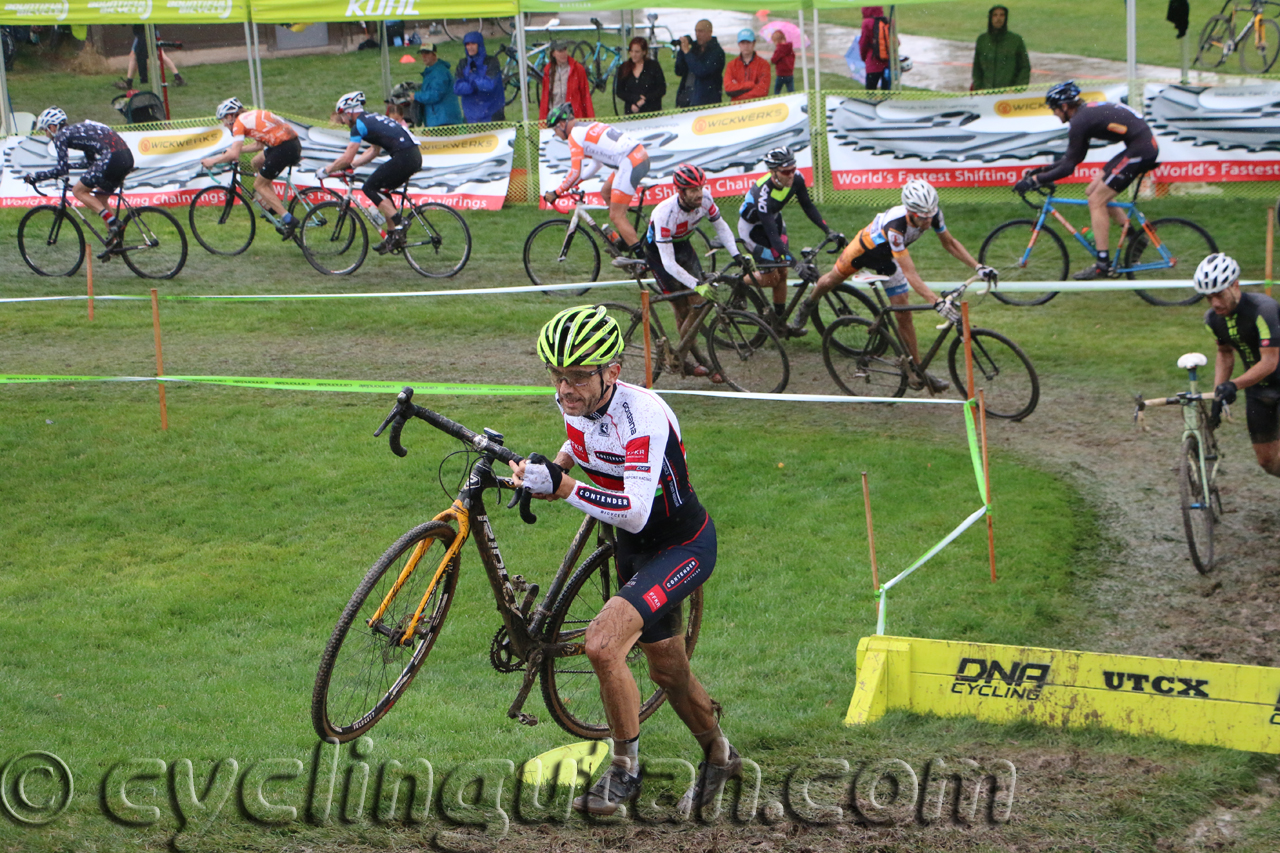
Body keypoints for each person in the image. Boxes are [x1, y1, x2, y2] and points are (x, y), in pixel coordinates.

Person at [510, 304, 742, 818]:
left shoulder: (644, 417)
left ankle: (623, 770)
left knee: (601, 644)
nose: (565, 389)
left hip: (681, 546)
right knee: (668, 672)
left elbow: (635, 513)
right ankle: (721, 756)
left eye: (576, 377)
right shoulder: (574, 403)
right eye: (556, 375)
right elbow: (580, 443)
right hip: (635, 553)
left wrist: (565, 488)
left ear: (612, 372)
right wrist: (548, 469)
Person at [789, 179, 996, 393]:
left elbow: (950, 243)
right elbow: (910, 273)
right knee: (831, 280)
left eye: (930, 215)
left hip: (887, 259)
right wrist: (936, 302)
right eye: (922, 217)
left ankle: (917, 370)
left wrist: (979, 267)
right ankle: (808, 303)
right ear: (911, 211)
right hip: (863, 252)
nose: (927, 221)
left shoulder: (932, 214)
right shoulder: (896, 227)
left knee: (904, 313)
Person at [1013, 81, 1160, 280]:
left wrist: (1034, 181)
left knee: (1096, 201)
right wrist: (1041, 172)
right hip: (1139, 145)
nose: (1054, 114)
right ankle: (1135, 238)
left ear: (1064, 106)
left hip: (1139, 150)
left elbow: (1068, 167)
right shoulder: (1083, 116)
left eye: (1054, 109)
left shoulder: (1079, 121)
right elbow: (1074, 159)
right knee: (1093, 190)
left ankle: (1102, 264)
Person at [643, 163, 753, 378]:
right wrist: (697, 284)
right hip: (660, 256)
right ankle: (695, 362)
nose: (699, 194)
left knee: (699, 305)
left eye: (701, 188)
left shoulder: (706, 200)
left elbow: (720, 226)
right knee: (682, 310)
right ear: (680, 192)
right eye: (693, 190)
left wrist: (736, 254)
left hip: (684, 248)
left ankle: (682, 355)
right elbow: (668, 263)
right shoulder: (665, 214)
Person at [736, 146, 843, 336]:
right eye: (786, 172)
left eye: (793, 169)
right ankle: (740, 282)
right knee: (772, 278)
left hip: (773, 219)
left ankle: (778, 323)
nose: (792, 175)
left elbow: (808, 206)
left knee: (783, 272)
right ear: (774, 172)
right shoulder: (763, 194)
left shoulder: (797, 179)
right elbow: (773, 238)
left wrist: (828, 230)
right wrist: (797, 265)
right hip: (753, 229)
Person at [1195, 253, 1280, 478]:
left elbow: (1270, 362)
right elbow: (1224, 354)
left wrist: (1234, 384)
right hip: (1259, 390)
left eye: (1219, 295)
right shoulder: (1212, 319)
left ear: (1235, 285)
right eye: (1208, 297)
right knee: (1268, 462)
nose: (1215, 303)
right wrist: (1218, 392)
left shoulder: (1264, 309)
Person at [317, 91, 423, 255]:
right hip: (412, 155)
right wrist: (353, 165)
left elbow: (347, 156)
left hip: (404, 156)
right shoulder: (371, 119)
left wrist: (326, 170)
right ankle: (392, 236)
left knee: (369, 188)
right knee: (381, 189)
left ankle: (399, 221)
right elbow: (374, 150)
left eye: (343, 116)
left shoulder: (358, 124)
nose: (344, 121)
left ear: (350, 112)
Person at [542, 104, 650, 259]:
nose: (557, 135)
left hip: (630, 162)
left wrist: (556, 192)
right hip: (637, 156)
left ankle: (642, 261)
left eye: (555, 130)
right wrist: (577, 182)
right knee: (605, 192)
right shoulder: (587, 126)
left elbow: (575, 171)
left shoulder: (574, 137)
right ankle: (626, 239)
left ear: (561, 124)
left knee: (616, 216)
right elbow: (596, 163)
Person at [24, 107, 134, 248]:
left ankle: (113, 221)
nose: (46, 135)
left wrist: (36, 177)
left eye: (45, 130)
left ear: (52, 126)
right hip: (125, 157)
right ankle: (115, 244)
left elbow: (61, 169)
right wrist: (69, 167)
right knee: (100, 199)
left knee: (78, 191)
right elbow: (90, 162)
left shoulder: (61, 136)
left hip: (112, 157)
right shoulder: (78, 131)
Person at [200, 98, 303, 239]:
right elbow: (258, 146)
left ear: (230, 116)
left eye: (223, 120)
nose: (224, 124)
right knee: (256, 162)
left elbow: (234, 154)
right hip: (289, 144)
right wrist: (234, 150)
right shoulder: (249, 116)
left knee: (259, 185)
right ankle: (273, 205)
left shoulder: (238, 123)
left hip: (283, 148)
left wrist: (213, 161)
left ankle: (288, 219)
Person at [971, 5, 1030, 91]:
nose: (998, 18)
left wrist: (1017, 90)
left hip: (1008, 94)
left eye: (1002, 15)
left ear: (1006, 18)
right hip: (985, 92)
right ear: (990, 18)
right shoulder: (982, 40)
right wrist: (978, 88)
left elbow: (1024, 67)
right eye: (995, 15)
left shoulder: (1016, 40)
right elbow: (977, 68)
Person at [453, 31, 505, 123]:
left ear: (479, 44)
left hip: (491, 115)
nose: (470, 47)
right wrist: (476, 85)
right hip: (470, 117)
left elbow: (489, 85)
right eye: (467, 44)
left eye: (473, 43)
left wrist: (471, 81)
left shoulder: (492, 62)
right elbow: (457, 88)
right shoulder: (463, 63)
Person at [114, 24, 184, 91]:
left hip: (146, 33)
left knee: (158, 54)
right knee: (158, 55)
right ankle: (178, 77)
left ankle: (129, 83)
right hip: (146, 32)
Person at [539, 39, 594, 122]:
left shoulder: (578, 69)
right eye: (560, 51)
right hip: (554, 118)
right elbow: (545, 100)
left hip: (573, 119)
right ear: (553, 53)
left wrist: (590, 121)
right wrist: (542, 123)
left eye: (565, 49)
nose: (564, 53)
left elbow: (585, 97)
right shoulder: (548, 71)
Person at [674, 19, 725, 108]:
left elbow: (701, 71)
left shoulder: (717, 52)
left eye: (701, 32)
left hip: (706, 101)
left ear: (710, 32)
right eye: (696, 31)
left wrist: (687, 52)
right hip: (687, 98)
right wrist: (682, 51)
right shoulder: (694, 49)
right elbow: (679, 71)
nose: (698, 35)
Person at [414, 43, 463, 128]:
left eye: (427, 53)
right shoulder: (432, 72)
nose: (424, 56)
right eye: (422, 53)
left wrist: (415, 96)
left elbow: (435, 95)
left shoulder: (440, 72)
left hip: (444, 121)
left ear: (434, 54)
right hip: (439, 119)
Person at [615, 36, 667, 114]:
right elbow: (619, 91)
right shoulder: (624, 67)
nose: (633, 55)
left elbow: (661, 89)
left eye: (637, 52)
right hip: (631, 112)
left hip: (652, 111)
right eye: (631, 51)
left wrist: (645, 99)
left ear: (644, 52)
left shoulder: (653, 66)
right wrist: (635, 100)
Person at [724, 28, 770, 103]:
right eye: (743, 43)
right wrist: (750, 85)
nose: (745, 46)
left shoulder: (764, 64)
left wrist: (739, 96)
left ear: (754, 43)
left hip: (757, 107)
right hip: (736, 109)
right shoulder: (731, 65)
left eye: (748, 42)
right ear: (739, 44)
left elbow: (763, 90)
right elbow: (728, 88)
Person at [860, 7, 892, 91]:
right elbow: (897, 42)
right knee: (887, 94)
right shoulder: (889, 21)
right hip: (888, 64)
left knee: (870, 92)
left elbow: (863, 43)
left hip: (872, 62)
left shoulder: (866, 23)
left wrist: (864, 58)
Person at [770, 30, 795, 94]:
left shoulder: (779, 49)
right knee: (791, 90)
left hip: (781, 74)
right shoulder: (790, 48)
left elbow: (774, 60)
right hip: (789, 73)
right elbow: (793, 57)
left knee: (777, 90)